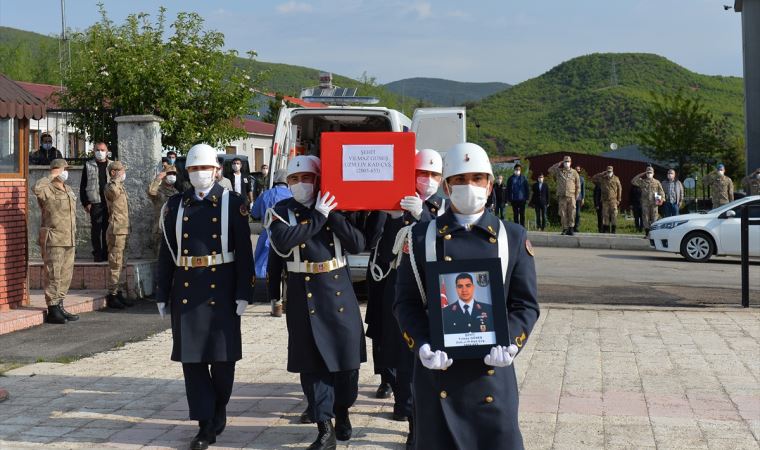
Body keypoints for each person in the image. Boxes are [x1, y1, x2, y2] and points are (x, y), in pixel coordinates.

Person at [394, 142, 539, 450]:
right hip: (437, 375)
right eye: (460, 179)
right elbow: (405, 303)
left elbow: (524, 304)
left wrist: (512, 342)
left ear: (489, 186)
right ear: (447, 186)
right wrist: (420, 345)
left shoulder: (512, 237)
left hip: (491, 376)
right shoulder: (420, 237)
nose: (469, 186)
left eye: (477, 178)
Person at [156, 143, 254, 450]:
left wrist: (244, 293)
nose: (200, 174)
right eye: (195, 169)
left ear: (217, 170)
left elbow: (244, 254)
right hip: (187, 287)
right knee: (192, 361)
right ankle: (204, 424)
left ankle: (218, 408)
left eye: (206, 169)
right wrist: (161, 291)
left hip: (222, 288)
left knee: (223, 360)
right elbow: (166, 252)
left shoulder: (232, 203)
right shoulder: (175, 206)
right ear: (188, 172)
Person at [266, 155, 366, 449]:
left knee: (347, 364)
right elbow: (284, 241)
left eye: (306, 178)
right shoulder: (280, 211)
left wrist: (331, 214)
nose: (300, 185)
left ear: (318, 180)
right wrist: (318, 216)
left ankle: (342, 410)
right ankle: (324, 427)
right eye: (294, 180)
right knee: (312, 365)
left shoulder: (335, 208)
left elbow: (358, 244)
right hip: (302, 293)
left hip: (338, 291)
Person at [364, 148, 446, 446]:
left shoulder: (442, 208)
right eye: (422, 174)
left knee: (424, 359)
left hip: (432, 294)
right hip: (399, 289)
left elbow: (444, 245)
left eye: (434, 175)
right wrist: (389, 213)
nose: (428, 180)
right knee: (399, 352)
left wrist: (422, 216)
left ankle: (419, 418)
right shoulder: (396, 204)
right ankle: (406, 409)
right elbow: (377, 244)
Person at [33, 159, 79, 324]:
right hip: (54, 239)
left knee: (66, 274)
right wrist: (51, 176)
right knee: (53, 274)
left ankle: (59, 305)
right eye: (65, 169)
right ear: (56, 170)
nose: (67, 172)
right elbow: (36, 188)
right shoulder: (47, 189)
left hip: (68, 238)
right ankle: (52, 308)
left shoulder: (67, 189)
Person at [251, 169, 292, 317]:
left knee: (269, 269)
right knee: (289, 268)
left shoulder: (266, 194)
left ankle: (276, 305)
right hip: (289, 235)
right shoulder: (292, 195)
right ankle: (288, 302)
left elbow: (254, 213)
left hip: (267, 234)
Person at [104, 161, 133, 309]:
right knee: (115, 263)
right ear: (114, 172)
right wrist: (115, 178)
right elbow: (113, 194)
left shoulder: (120, 187)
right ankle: (112, 294)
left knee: (122, 263)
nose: (123, 173)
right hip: (116, 230)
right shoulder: (111, 187)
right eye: (121, 171)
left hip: (124, 229)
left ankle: (119, 291)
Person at [80, 142, 112, 262]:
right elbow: (83, 185)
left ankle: (106, 253)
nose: (100, 152)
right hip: (95, 202)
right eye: (98, 150)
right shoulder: (89, 165)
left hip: (109, 203)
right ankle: (97, 253)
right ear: (94, 151)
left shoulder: (112, 165)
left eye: (103, 150)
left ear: (107, 151)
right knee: (96, 229)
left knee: (107, 229)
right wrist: (86, 202)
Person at [148, 165, 180, 252]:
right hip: (161, 228)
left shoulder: (176, 192)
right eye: (170, 173)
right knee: (161, 256)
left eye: (174, 174)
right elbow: (151, 192)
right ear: (164, 175)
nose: (172, 175)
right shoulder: (159, 190)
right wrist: (158, 179)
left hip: (174, 227)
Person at [548, 155, 581, 235]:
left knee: (572, 212)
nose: (567, 163)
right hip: (562, 196)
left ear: (571, 162)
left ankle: (571, 228)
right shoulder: (559, 171)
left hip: (571, 196)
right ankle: (565, 228)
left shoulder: (574, 172)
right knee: (563, 213)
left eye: (568, 161)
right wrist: (558, 164)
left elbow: (578, 185)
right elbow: (550, 170)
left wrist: (576, 196)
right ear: (563, 162)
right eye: (565, 161)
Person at [631, 166, 665, 237]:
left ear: (653, 173)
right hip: (645, 203)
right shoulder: (643, 182)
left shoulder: (657, 182)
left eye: (650, 172)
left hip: (654, 203)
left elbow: (661, 192)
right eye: (648, 172)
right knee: (645, 218)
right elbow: (633, 181)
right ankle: (647, 233)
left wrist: (661, 200)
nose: (649, 174)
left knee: (654, 218)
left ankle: (654, 233)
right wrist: (642, 173)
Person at [591, 166, 622, 233]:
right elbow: (593, 179)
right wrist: (601, 173)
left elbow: (619, 189)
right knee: (605, 215)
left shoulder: (616, 179)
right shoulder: (602, 179)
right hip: (605, 200)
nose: (609, 173)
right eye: (608, 171)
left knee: (614, 215)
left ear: (612, 171)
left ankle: (613, 229)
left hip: (613, 200)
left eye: (610, 171)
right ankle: (606, 229)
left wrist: (619, 199)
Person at [573, 165, 585, 232]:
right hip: (572, 197)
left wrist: (583, 198)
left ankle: (576, 227)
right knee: (572, 213)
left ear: (580, 170)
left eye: (578, 169)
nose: (577, 170)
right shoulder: (572, 178)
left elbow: (583, 190)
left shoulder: (582, 179)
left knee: (578, 213)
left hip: (578, 198)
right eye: (576, 169)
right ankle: (571, 226)